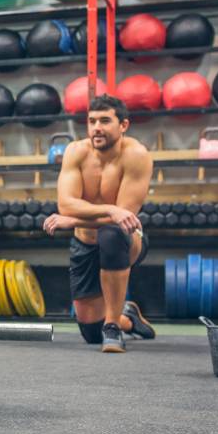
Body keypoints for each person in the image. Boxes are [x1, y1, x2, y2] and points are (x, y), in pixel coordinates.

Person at [42, 94, 156, 352]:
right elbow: (66, 205)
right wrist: (109, 210)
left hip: (127, 242)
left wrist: (71, 220)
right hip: (84, 245)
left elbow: (124, 218)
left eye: (105, 121)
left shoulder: (137, 155)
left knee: (112, 233)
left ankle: (113, 326)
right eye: (92, 121)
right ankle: (127, 319)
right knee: (91, 333)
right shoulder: (75, 152)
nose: (97, 128)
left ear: (123, 125)